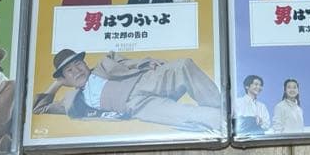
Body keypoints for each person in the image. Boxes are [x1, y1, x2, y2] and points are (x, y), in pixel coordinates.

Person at [33, 49, 223, 132]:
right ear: (65, 78)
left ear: (84, 62)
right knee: (197, 116)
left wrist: (145, 63)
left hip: (143, 82)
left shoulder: (104, 64)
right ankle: (223, 118)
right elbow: (39, 108)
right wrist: (56, 84)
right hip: (137, 106)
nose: (77, 70)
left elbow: (127, 62)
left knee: (184, 65)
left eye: (78, 64)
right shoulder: (72, 101)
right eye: (69, 70)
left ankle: (223, 106)